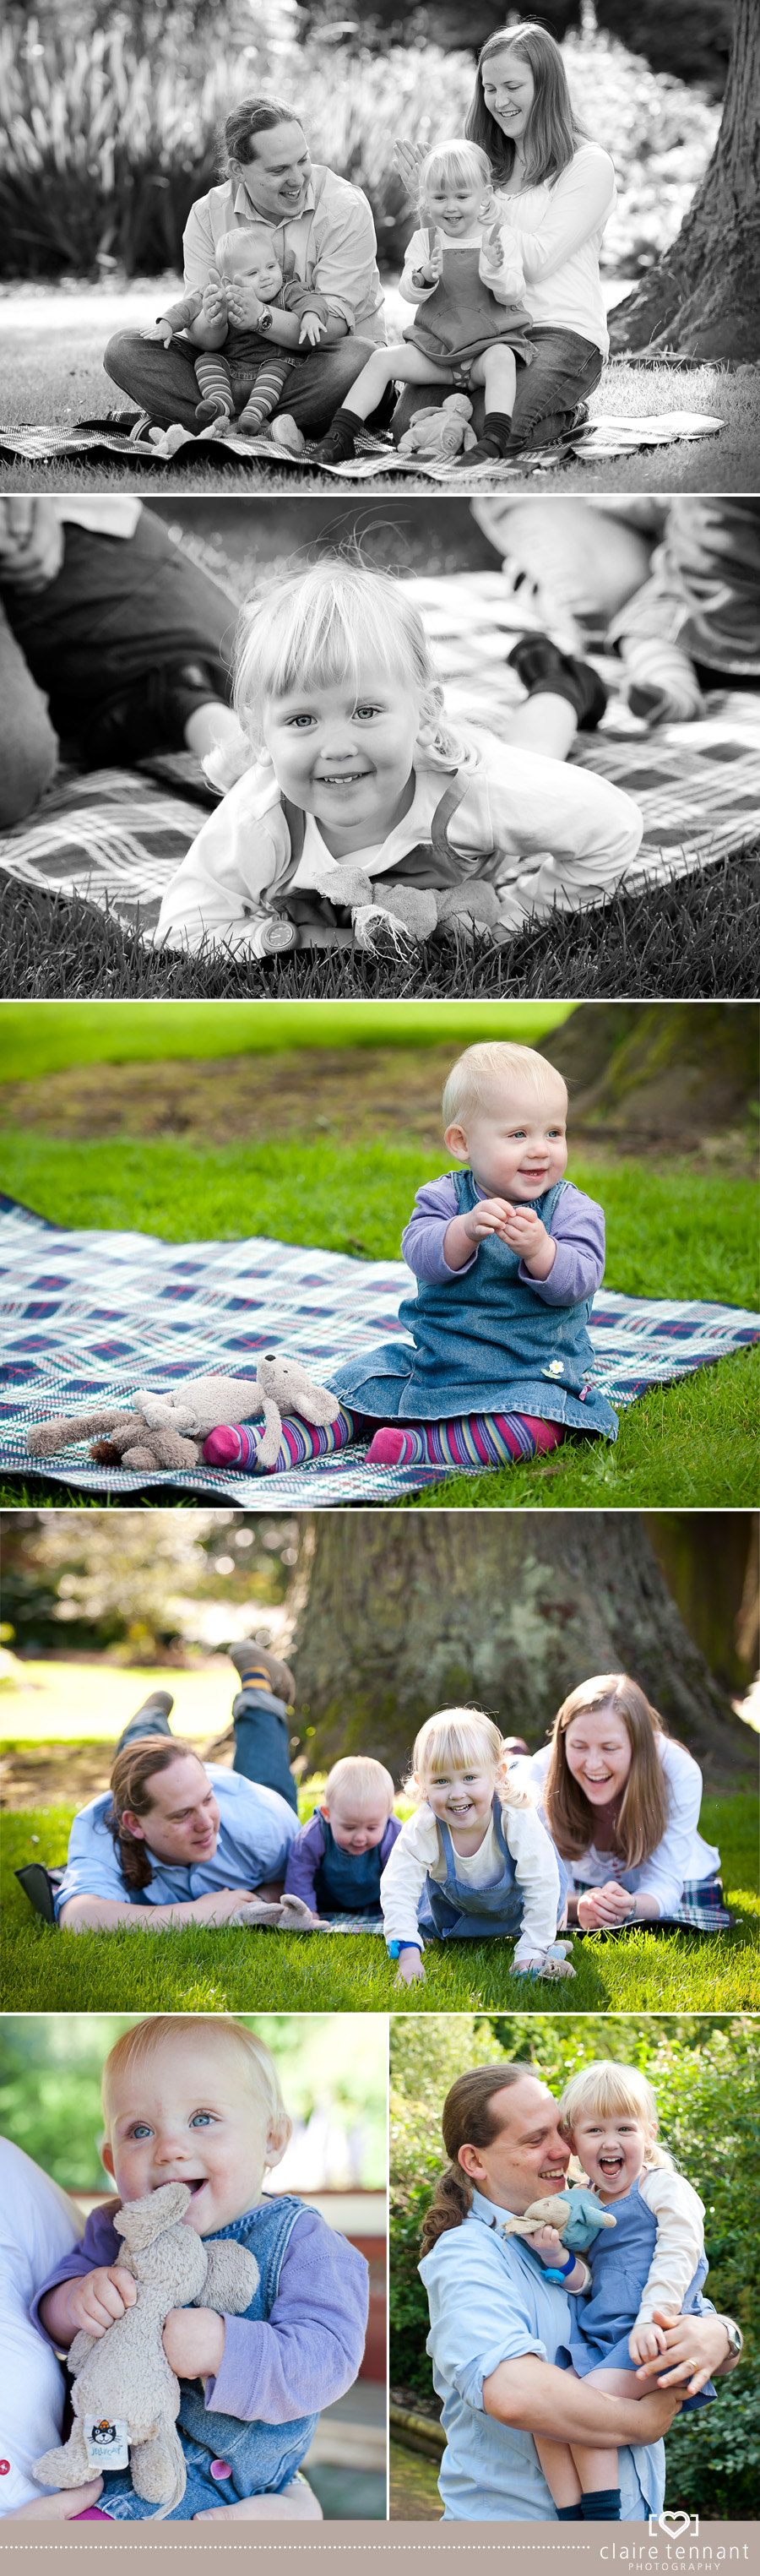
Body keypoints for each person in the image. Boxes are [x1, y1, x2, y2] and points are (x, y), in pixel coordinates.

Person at [154, 559, 643, 958]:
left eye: (365, 711)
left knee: (531, 752)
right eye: (302, 720)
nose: (338, 746)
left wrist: (511, 921)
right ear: (261, 732)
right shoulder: (261, 820)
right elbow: (182, 927)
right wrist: (301, 941)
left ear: (425, 710)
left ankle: (560, 684)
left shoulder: (469, 791)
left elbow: (609, 827)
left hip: (457, 777)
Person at [30, 2016, 367, 2521]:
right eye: (139, 2131)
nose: (169, 2150)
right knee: (73, 2502)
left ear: (272, 2140)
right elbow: (50, 2317)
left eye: (203, 2118)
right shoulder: (115, 2228)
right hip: (109, 2443)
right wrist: (76, 2300)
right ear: (110, 2160)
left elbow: (329, 2359)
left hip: (223, 2474)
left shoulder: (304, 2242)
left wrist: (224, 2349)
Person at [417, 2062, 741, 2520]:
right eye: (535, 2140)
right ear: (475, 2161)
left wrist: (721, 2336)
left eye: (560, 2132)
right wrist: (639, 2423)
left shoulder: (583, 2218)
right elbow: (517, 2394)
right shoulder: (469, 2253)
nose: (562, 2150)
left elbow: (679, 2297)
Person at [327, 1038, 618, 1471]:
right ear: (462, 1143)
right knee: (360, 1380)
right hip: (440, 1363)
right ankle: (286, 1438)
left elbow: (579, 1282)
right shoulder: (444, 1197)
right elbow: (420, 1255)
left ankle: (423, 1448)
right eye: (519, 1134)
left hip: (532, 1372)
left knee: (539, 1422)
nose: (541, 1149)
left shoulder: (573, 1210)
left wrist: (542, 1251)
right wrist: (462, 1231)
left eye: (554, 1132)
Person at [392, 22, 616, 462]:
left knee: (483, 431)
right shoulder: (483, 162)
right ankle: (517, 407)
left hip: (558, 331)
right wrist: (433, 203)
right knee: (408, 426)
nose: (499, 101)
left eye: (513, 86)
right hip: (477, 329)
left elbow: (539, 261)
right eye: (490, 88)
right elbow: (448, 248)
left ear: (546, 86)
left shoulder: (587, 164)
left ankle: (565, 411)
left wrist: (485, 210)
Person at [104, 96, 386, 440]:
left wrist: (260, 317)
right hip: (226, 370)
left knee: (361, 357)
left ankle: (212, 426)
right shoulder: (207, 214)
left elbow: (335, 328)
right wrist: (213, 316)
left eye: (303, 161)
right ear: (238, 170)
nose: (297, 179)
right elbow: (204, 338)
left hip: (311, 368)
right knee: (124, 348)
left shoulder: (344, 207)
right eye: (279, 170)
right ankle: (262, 428)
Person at [529, 2060, 716, 2522]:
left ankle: (603, 2525)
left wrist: (654, 2315)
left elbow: (681, 2249)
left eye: (625, 2128)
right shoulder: (586, 2203)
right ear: (573, 2143)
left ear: (648, 2134)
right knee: (544, 2417)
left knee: (578, 2409)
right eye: (595, 2131)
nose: (611, 2142)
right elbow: (592, 2281)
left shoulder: (661, 2187)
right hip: (603, 2338)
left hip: (654, 2338)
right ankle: (573, 2518)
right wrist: (559, 2261)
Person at [0, 498, 242, 829]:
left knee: (246, 667)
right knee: (12, 772)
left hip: (58, 514)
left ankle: (169, 698)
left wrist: (25, 498)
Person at [312, 139, 534, 468]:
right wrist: (424, 277)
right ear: (426, 198)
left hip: (487, 349)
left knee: (503, 359)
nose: (451, 207)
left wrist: (496, 270)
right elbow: (407, 291)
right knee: (381, 359)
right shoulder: (425, 240)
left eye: (462, 196)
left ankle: (494, 440)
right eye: (440, 197)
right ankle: (340, 436)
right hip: (438, 353)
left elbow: (513, 294)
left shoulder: (500, 239)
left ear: (485, 196)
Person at [472, 497, 760, 724]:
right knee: (644, 628)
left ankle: (672, 689)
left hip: (710, 616)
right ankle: (669, 691)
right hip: (718, 617)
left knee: (642, 629)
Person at [379, 1706, 573, 1991]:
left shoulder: (514, 1817)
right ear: (422, 1784)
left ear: (497, 1775)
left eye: (469, 1778)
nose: (457, 1793)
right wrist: (408, 1958)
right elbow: (398, 1886)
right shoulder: (423, 1827)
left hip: (521, 1906)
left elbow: (542, 1884)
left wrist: (531, 1950)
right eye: (441, 1781)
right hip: (459, 1910)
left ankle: (541, 1942)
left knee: (546, 1881)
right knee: (420, 1906)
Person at [528, 1674, 731, 1932]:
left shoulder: (678, 1772)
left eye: (609, 1748)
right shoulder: (540, 1774)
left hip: (681, 1872)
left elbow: (665, 1883)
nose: (592, 1765)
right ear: (563, 1741)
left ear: (639, 1746)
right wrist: (579, 1905)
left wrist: (630, 1906)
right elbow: (543, 1886)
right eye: (579, 1746)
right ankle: (514, 1755)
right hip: (581, 1879)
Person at [54, 1726, 299, 1934]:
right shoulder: (102, 1829)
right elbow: (77, 1918)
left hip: (249, 1802)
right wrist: (203, 1912)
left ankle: (258, 1691)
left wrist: (253, 1904)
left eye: (207, 1800)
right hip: (155, 1792)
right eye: (182, 1814)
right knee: (141, 1762)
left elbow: (298, 1879)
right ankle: (147, 1721)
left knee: (267, 1765)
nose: (206, 1824)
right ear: (134, 1824)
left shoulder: (264, 1820)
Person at [144, 230, 335, 442]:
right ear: (228, 281)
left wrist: (311, 316)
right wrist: (168, 323)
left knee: (275, 370)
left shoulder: (288, 290)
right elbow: (189, 306)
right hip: (231, 368)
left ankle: (253, 415)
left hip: (273, 364)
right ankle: (220, 403)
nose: (265, 276)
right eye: (253, 273)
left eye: (271, 267)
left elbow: (313, 301)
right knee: (206, 360)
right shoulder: (222, 293)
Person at [284, 1754, 399, 1921]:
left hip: (375, 1901)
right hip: (326, 1901)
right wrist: (307, 1912)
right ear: (327, 1813)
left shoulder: (394, 1835)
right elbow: (299, 1872)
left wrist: (398, 1913)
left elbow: (403, 1877)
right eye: (349, 1827)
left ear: (387, 1815)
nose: (360, 1838)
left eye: (372, 1828)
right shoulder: (314, 1834)